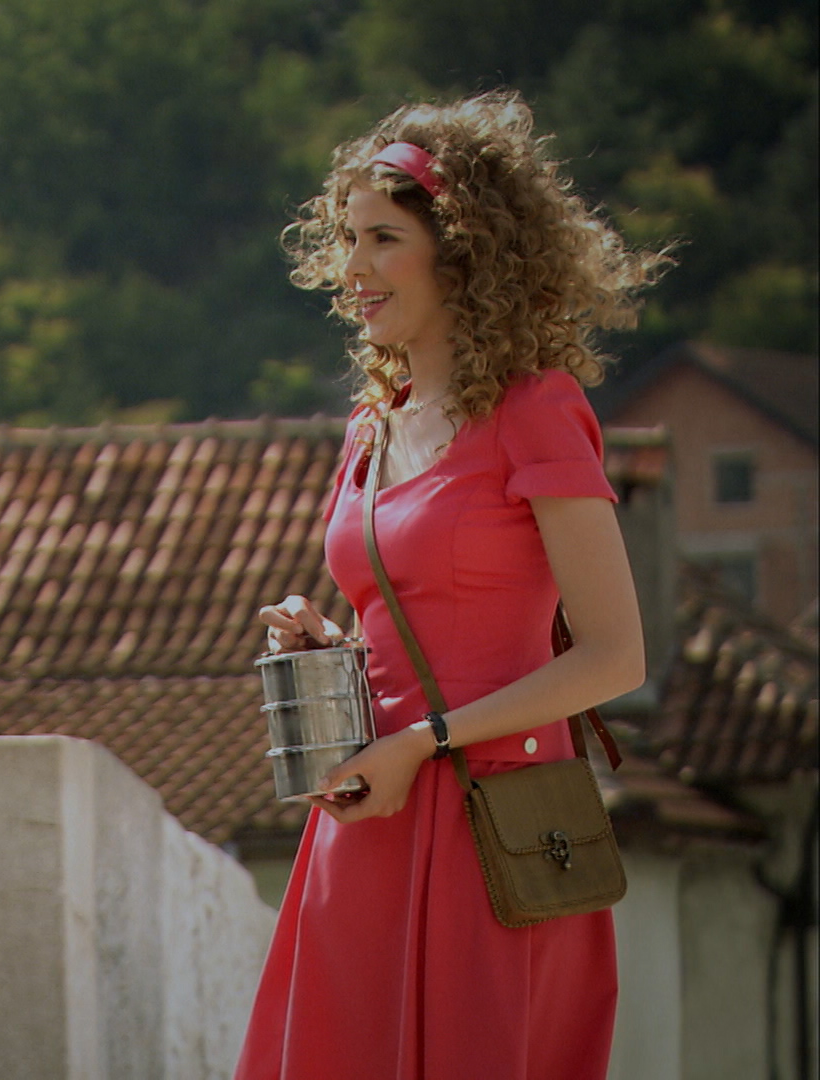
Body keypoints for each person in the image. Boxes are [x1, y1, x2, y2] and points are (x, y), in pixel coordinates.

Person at [236, 90, 669, 1080]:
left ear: (462, 251)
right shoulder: (370, 428)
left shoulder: (537, 409)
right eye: (348, 240)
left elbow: (615, 655)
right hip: (371, 816)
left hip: (495, 825)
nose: (353, 269)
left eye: (383, 239)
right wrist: (329, 649)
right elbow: (412, 625)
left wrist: (422, 742)